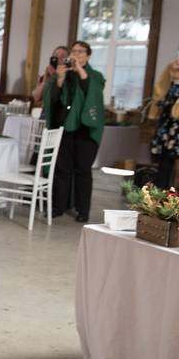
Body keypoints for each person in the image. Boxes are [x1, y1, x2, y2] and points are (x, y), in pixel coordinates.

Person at [43, 40, 105, 222]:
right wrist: (60, 80)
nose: (76, 54)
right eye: (74, 51)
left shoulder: (95, 76)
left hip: (85, 130)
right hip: (65, 128)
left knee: (83, 171)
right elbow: (52, 100)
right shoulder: (64, 74)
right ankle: (57, 206)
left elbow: (93, 92)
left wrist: (80, 71)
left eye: (80, 51)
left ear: (88, 55)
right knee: (62, 170)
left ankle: (82, 210)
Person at [148, 58, 179, 188]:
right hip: (167, 131)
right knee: (164, 167)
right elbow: (160, 103)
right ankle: (160, 200)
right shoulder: (167, 86)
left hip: (175, 132)